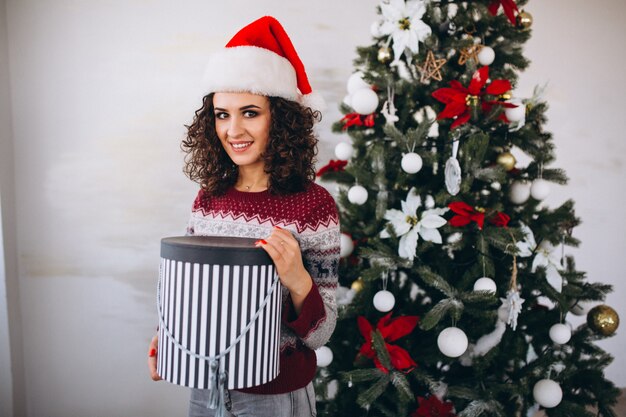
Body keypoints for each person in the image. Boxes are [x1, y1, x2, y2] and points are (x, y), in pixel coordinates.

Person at [147, 16, 340, 417]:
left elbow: (321, 334)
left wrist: (298, 280)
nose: (233, 129)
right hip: (205, 388)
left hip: (276, 396)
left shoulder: (313, 206)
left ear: (280, 117)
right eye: (221, 114)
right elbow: (195, 297)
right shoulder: (207, 198)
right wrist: (168, 338)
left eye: (250, 112)